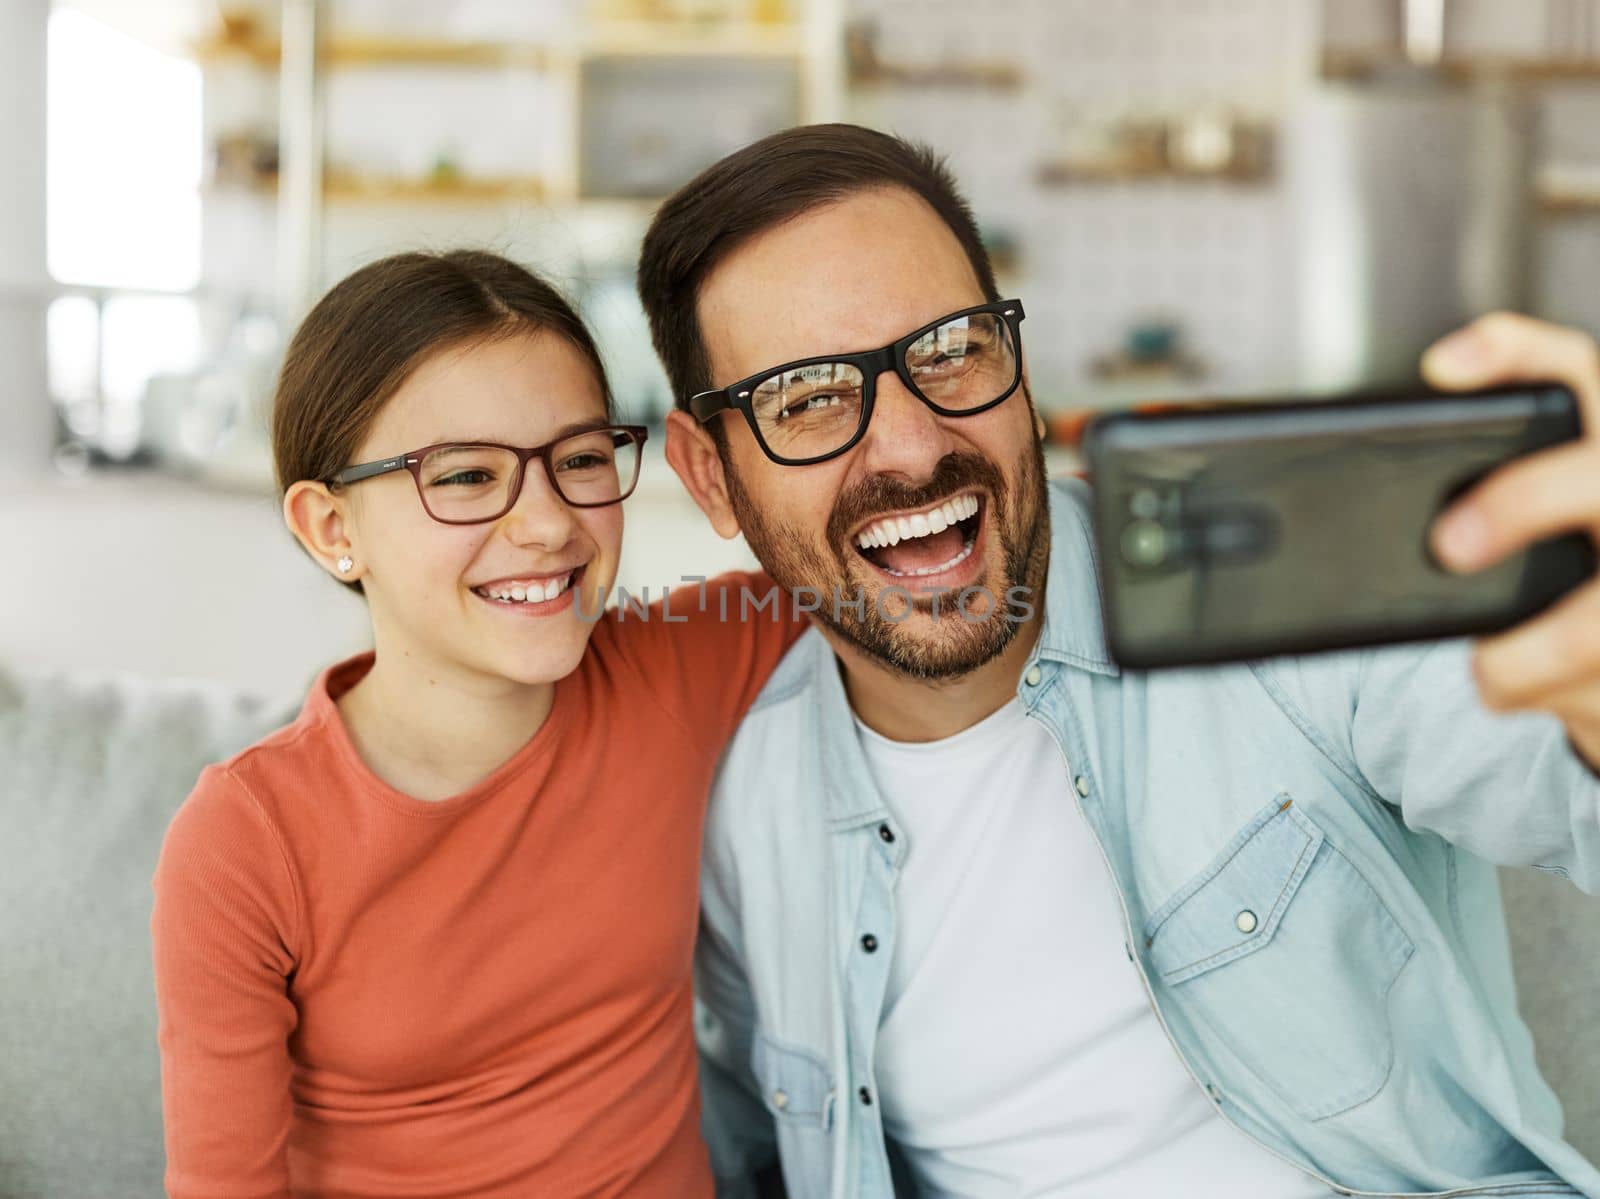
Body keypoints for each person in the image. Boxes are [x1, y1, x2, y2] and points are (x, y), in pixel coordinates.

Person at [636, 124, 1600, 1197]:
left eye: (952, 347)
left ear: (1020, 366)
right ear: (709, 476)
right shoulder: (743, 810)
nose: (909, 446)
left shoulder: (1279, 594)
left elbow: (1561, 781)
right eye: (807, 399)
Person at [150, 250, 804, 1198]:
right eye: (463, 476)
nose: (547, 524)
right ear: (333, 530)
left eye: (580, 459)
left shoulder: (667, 672)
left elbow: (874, 568)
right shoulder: (244, 844)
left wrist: (736, 465)